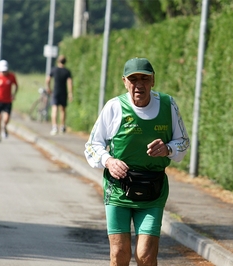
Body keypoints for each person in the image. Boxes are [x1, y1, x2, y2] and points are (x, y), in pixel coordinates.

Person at [84, 57, 190, 266]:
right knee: (119, 253)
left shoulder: (168, 106)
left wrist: (168, 148)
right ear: (125, 81)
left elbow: (183, 142)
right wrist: (109, 160)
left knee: (146, 255)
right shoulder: (114, 107)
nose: (139, 84)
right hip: (118, 190)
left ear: (153, 81)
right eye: (133, 79)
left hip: (153, 189)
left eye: (145, 78)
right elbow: (92, 145)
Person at [0, 60, 18, 143]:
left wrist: (13, 94)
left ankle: (4, 127)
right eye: (2, 71)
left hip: (8, 100)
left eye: (5, 71)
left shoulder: (11, 76)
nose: (4, 72)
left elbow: (16, 85)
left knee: (6, 119)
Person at [46, 55, 73, 135]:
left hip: (56, 91)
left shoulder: (54, 70)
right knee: (63, 110)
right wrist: (70, 93)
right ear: (65, 61)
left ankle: (54, 127)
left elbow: (48, 80)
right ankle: (62, 126)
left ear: (58, 61)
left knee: (54, 109)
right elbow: (70, 83)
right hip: (63, 92)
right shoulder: (67, 71)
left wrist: (48, 88)